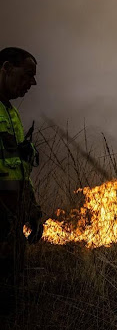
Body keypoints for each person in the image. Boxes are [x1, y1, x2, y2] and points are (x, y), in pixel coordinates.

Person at [0, 47, 43, 316]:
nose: (32, 83)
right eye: (27, 75)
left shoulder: (11, 113)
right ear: (6, 67)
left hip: (9, 217)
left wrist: (32, 211)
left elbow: (16, 171)